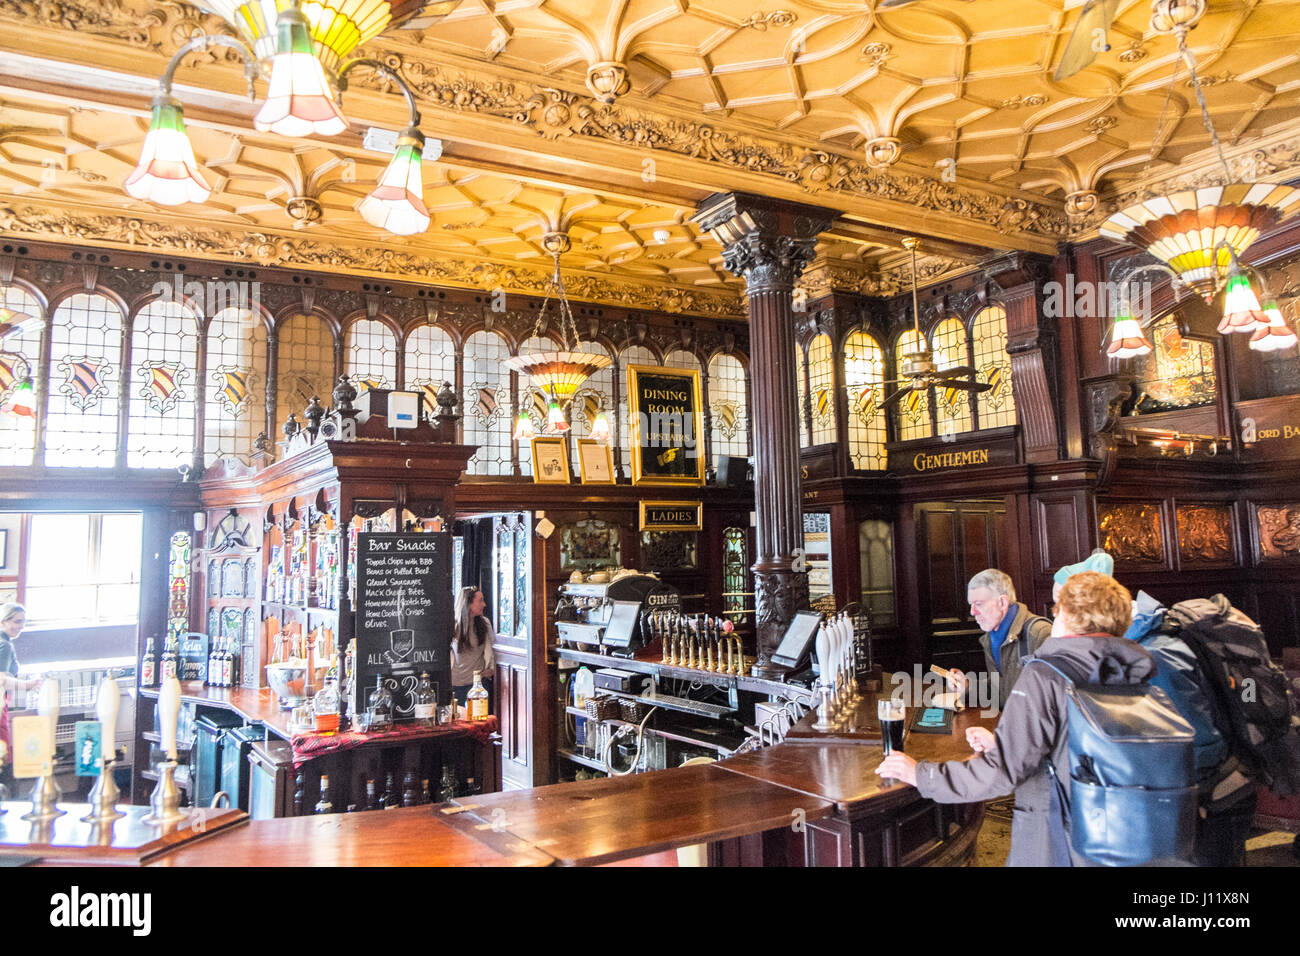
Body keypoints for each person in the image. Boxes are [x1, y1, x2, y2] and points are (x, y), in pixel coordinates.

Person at [877, 572, 1158, 866]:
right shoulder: (1137, 669)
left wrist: (920, 774)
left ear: (1068, 615)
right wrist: (1005, 740)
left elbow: (1000, 772)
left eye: (1057, 607)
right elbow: (1070, 736)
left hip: (1059, 836)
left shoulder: (1047, 669)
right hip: (1126, 829)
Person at [952, 569, 1052, 709]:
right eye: (971, 604)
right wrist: (967, 687)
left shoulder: (1040, 633)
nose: (972, 612)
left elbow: (1054, 700)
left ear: (1003, 602)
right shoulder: (990, 637)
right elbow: (999, 688)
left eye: (979, 604)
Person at [0, 603, 42, 786]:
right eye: (17, 622)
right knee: (3, 752)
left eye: (23, 622)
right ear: (3, 621)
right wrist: (28, 685)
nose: (20, 626)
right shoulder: (5, 646)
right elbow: (1, 679)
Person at [451, 587, 495, 711]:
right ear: (468, 603)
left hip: (478, 684)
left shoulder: (484, 623)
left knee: (479, 721)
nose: (484, 604)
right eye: (480, 601)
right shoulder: (453, 626)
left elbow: (491, 649)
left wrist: (491, 669)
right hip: (456, 684)